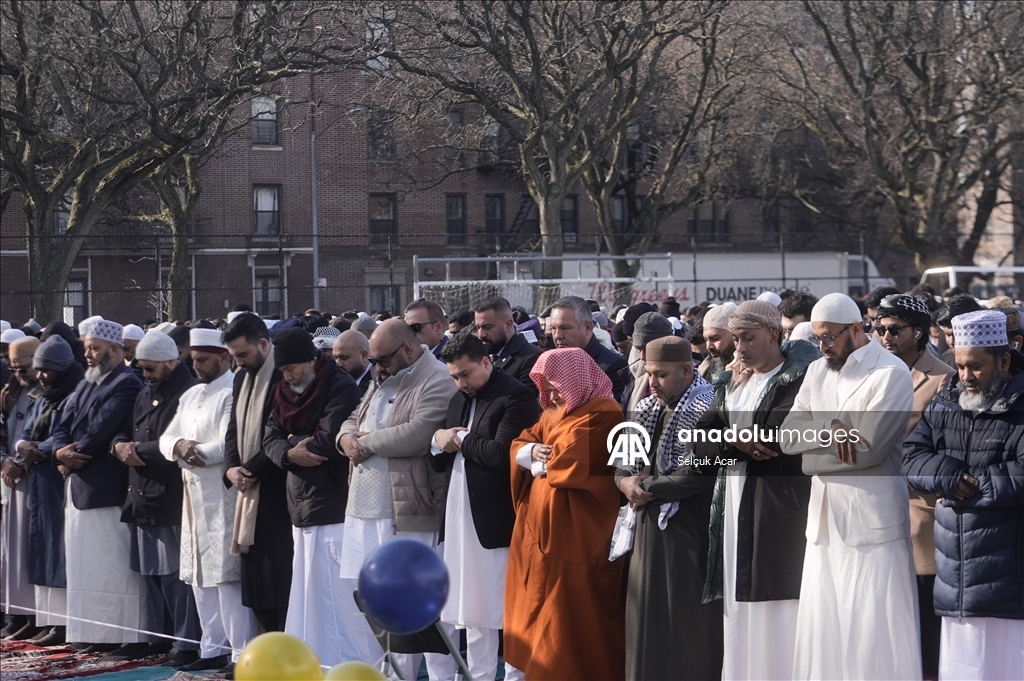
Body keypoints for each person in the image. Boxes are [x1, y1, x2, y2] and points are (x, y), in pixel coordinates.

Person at [781, 293, 920, 679]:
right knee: (824, 637)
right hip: (823, 525)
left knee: (873, 638)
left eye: (829, 338)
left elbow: (868, 452)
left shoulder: (890, 372)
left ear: (857, 329)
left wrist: (812, 458)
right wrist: (829, 431)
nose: (822, 347)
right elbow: (788, 439)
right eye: (817, 339)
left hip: (873, 527)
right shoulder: (817, 371)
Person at [692, 301, 818, 680]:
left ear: (774, 336)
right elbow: (698, 445)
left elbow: (775, 442)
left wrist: (731, 442)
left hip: (778, 509)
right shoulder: (731, 383)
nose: (740, 348)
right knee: (738, 608)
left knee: (777, 610)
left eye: (749, 338)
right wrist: (734, 441)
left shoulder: (798, 380)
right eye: (737, 339)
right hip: (732, 509)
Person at [903, 310, 1024, 681]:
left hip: (1007, 572)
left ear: (1003, 360)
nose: (966, 376)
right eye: (960, 366)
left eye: (975, 367)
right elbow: (910, 458)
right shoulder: (947, 402)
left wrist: (967, 488)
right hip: (953, 574)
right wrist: (947, 475)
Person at [336, 319, 457, 681]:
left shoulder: (437, 377)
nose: (376, 367)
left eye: (382, 360)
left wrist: (365, 442)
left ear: (406, 348)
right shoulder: (382, 378)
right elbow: (352, 419)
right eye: (373, 361)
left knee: (417, 605)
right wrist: (346, 440)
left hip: (406, 511)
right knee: (374, 604)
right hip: (363, 509)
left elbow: (419, 434)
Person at [505, 348, 625, 681]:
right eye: (545, 383)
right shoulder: (554, 412)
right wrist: (529, 451)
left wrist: (537, 459)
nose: (551, 392)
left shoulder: (604, 411)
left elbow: (569, 460)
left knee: (572, 622)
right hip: (542, 537)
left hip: (578, 538)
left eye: (556, 383)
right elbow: (522, 442)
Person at [429, 333, 541, 681]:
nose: (461, 383)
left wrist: (459, 439)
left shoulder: (515, 396)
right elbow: (441, 454)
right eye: (454, 377)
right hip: (460, 516)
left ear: (487, 363)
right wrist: (437, 440)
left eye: (466, 374)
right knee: (470, 605)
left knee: (504, 606)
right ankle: (477, 676)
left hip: (497, 522)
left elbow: (502, 454)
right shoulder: (460, 396)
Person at [614, 337, 721, 680]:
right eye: (649, 374)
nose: (652, 383)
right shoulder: (646, 407)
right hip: (647, 534)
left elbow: (698, 473)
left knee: (683, 631)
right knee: (645, 624)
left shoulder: (709, 408)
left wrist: (642, 486)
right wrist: (623, 482)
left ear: (687, 370)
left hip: (688, 535)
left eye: (661, 375)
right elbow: (622, 460)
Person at [263, 328, 365, 668]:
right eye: (283, 371)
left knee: (337, 595)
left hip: (334, 502)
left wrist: (293, 442)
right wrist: (291, 451)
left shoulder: (339, 385)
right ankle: (314, 663)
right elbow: (270, 438)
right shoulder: (283, 392)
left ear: (310, 361)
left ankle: (346, 665)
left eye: (291, 369)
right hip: (300, 503)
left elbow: (329, 439)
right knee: (309, 595)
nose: (287, 376)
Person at [159, 328, 256, 673]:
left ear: (224, 358)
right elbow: (167, 437)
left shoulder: (233, 391)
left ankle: (239, 652)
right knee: (199, 576)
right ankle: (212, 646)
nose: (195, 365)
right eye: (194, 359)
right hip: (193, 495)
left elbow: (229, 443)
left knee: (226, 577)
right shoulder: (190, 394)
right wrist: (177, 447)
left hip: (223, 493)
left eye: (202, 359)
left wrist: (190, 451)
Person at [48, 319, 145, 651]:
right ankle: (93, 634)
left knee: (111, 569)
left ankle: (119, 636)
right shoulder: (86, 383)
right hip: (78, 487)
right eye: (86, 347)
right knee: (85, 569)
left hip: (106, 489)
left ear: (115, 350)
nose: (87, 354)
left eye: (94, 348)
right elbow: (61, 424)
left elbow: (100, 433)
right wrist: (59, 451)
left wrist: (69, 453)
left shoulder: (126, 383)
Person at [874, 293, 955, 677]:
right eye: (879, 328)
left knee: (923, 615)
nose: (885, 336)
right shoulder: (872, 370)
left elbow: (938, 447)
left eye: (894, 329)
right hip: (874, 505)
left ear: (920, 332)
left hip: (918, 509)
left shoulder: (943, 378)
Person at [110, 329, 201, 665]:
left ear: (170, 362)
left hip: (169, 493)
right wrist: (119, 445)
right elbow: (125, 428)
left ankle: (185, 642)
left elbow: (182, 442)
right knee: (150, 573)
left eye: (149, 368)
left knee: (175, 576)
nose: (144, 374)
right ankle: (158, 637)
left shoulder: (188, 392)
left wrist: (139, 449)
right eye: (142, 368)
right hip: (141, 492)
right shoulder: (145, 391)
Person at [222, 313, 292, 636]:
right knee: (258, 590)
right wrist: (231, 467)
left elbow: (279, 433)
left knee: (280, 588)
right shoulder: (240, 378)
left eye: (243, 355)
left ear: (264, 344)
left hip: (277, 494)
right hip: (248, 494)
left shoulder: (283, 375)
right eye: (234, 356)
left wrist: (248, 471)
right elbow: (233, 431)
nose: (238, 363)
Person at [13, 336, 83, 646]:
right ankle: (47, 619)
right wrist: (21, 446)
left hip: (58, 479)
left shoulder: (75, 393)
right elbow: (26, 431)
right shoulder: (42, 396)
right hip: (39, 480)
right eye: (38, 369)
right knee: (42, 548)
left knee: (60, 550)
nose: (41, 376)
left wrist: (36, 448)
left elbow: (64, 436)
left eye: (47, 370)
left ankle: (64, 623)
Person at [1, 336, 41, 641]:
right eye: (13, 368)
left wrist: (20, 461)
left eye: (24, 368)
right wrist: (5, 461)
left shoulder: (46, 392)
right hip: (11, 479)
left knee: (31, 549)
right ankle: (17, 613)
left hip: (35, 477)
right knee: (13, 551)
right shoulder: (11, 391)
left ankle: (34, 616)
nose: (19, 374)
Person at [548, 296, 628, 402]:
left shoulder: (612, 366)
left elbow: (606, 415)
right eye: (553, 328)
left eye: (565, 328)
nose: (557, 335)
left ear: (587, 327)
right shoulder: (551, 363)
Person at [473, 296, 541, 394]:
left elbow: (522, 403)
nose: (481, 334)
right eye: (478, 327)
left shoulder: (532, 358)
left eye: (487, 327)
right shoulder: (479, 356)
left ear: (508, 324)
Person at [621, 312, 673, 414]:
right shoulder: (633, 376)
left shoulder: (685, 376)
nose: (642, 356)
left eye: (648, 349)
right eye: (639, 349)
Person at [698, 303, 737, 381]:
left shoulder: (752, 373)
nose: (708, 347)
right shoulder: (701, 373)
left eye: (715, 338)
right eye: (706, 340)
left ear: (735, 336)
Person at [331, 329, 373, 395]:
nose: (338, 364)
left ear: (363, 356)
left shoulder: (379, 383)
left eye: (344, 357)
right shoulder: (335, 382)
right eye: (336, 358)